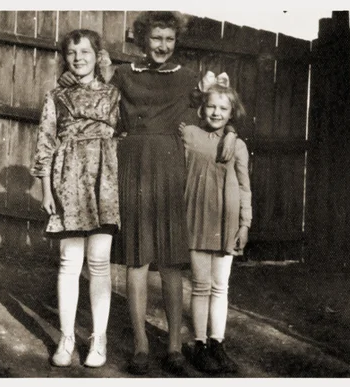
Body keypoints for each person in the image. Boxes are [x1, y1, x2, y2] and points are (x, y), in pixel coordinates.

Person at [58, 11, 238, 375]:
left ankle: (173, 347)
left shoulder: (189, 78)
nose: (162, 46)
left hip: (171, 170)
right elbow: (83, 84)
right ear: (143, 40)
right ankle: (140, 344)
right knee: (137, 260)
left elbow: (217, 112)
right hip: (133, 167)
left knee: (171, 262)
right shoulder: (124, 74)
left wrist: (231, 132)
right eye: (156, 38)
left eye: (169, 39)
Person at [31, 29, 120, 368]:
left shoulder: (114, 95)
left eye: (85, 51)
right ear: (65, 58)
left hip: (104, 181)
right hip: (67, 180)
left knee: (99, 262)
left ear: (98, 56)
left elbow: (129, 133)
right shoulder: (56, 96)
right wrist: (45, 188)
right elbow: (45, 141)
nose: (79, 58)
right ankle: (66, 338)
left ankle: (99, 339)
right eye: (72, 53)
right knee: (69, 262)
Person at [180, 77, 252, 375]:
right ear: (202, 109)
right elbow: (179, 113)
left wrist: (245, 223)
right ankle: (198, 343)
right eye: (210, 106)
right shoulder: (189, 135)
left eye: (223, 108)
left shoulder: (237, 145)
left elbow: (245, 187)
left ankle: (217, 342)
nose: (216, 112)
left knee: (220, 286)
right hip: (197, 217)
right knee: (200, 285)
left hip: (227, 221)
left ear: (232, 112)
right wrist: (200, 88)